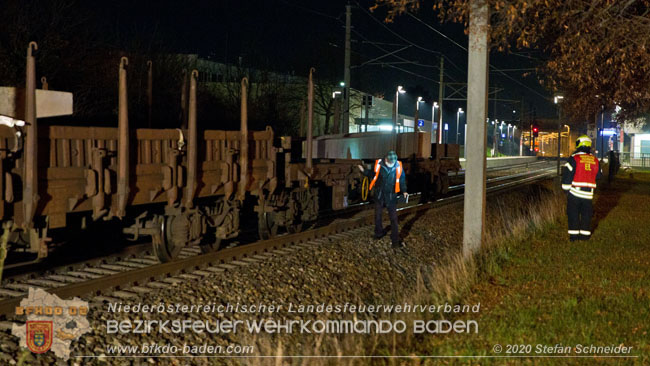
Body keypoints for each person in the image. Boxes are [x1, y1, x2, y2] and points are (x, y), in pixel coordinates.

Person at [358, 150, 408, 248]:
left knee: (394, 219)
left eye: (393, 163)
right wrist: (364, 171)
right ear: (386, 159)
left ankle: (395, 241)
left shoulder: (398, 166)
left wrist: (404, 191)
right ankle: (378, 233)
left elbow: (402, 180)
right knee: (378, 216)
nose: (392, 164)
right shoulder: (379, 165)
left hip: (391, 196)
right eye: (390, 162)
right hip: (379, 195)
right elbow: (372, 174)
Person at [561, 135, 602, 241]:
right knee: (586, 215)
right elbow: (598, 176)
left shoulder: (574, 159)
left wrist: (565, 189)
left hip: (575, 193)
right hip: (588, 194)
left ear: (578, 144)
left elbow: (567, 175)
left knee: (573, 214)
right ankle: (585, 236)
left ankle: (574, 237)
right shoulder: (595, 160)